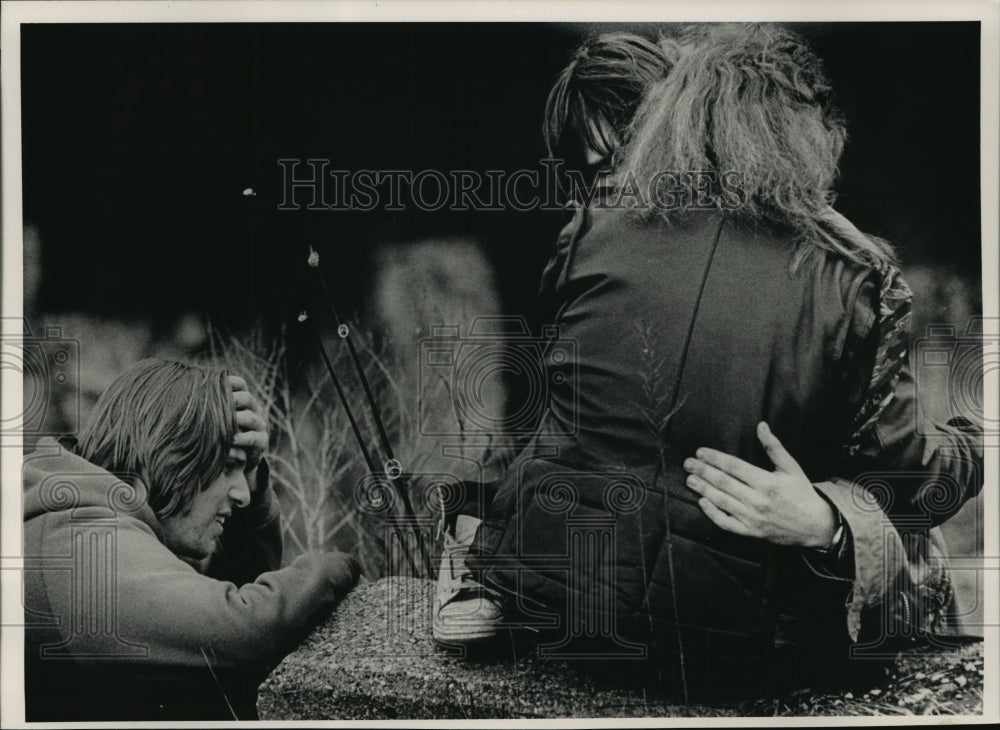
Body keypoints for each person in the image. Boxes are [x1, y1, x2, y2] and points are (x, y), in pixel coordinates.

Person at [436, 25, 983, 700]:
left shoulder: (592, 231)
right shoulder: (855, 276)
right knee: (893, 537)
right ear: (807, 134)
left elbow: (562, 411)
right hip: (744, 652)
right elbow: (911, 487)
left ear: (678, 111)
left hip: (568, 610)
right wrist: (973, 443)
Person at [23, 358, 360, 721]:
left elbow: (222, 597)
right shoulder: (82, 545)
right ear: (170, 453)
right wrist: (337, 565)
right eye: (229, 466)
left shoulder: (85, 516)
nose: (243, 495)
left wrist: (253, 493)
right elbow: (242, 628)